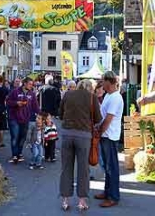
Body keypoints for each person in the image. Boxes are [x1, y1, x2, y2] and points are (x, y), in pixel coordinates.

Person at [59, 79, 102, 211]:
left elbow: (60, 114)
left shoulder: (67, 95)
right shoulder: (92, 97)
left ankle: (65, 200)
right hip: (83, 136)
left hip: (67, 134)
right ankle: (82, 201)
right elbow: (98, 118)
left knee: (66, 167)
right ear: (90, 88)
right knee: (83, 169)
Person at [94, 71, 123, 208]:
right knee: (107, 167)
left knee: (111, 167)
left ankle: (113, 196)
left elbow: (108, 119)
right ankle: (107, 192)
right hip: (106, 135)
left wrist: (100, 131)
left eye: (102, 81)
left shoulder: (115, 98)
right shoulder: (108, 95)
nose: (101, 84)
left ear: (108, 82)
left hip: (110, 136)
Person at [6, 77, 40, 163]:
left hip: (25, 119)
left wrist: (42, 115)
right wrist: (16, 103)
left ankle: (19, 153)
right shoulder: (15, 91)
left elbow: (35, 107)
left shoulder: (32, 94)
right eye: (30, 84)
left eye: (32, 84)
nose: (31, 86)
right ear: (24, 83)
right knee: (15, 137)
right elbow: (8, 102)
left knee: (22, 137)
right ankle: (14, 155)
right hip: (14, 118)